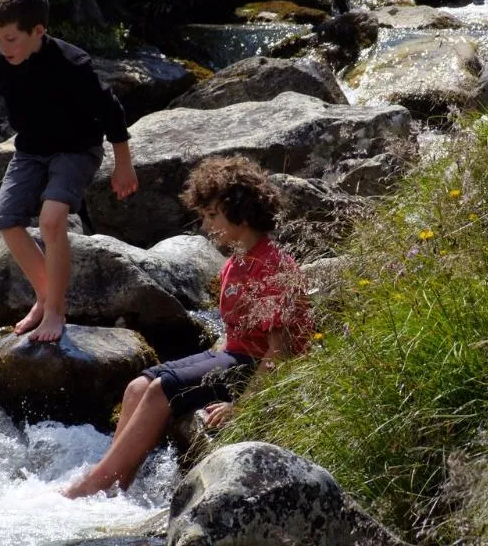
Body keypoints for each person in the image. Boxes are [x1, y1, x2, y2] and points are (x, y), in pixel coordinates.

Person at [63, 155, 311, 499]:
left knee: (162, 389)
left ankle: (95, 484)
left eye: (213, 216)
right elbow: (233, 336)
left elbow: (281, 352)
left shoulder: (272, 266)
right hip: (236, 358)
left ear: (242, 212)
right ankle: (114, 486)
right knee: (138, 385)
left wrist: (244, 406)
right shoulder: (235, 263)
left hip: (258, 370)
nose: (206, 226)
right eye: (204, 216)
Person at [0, 0, 138, 342]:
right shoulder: (3, 63)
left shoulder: (73, 64)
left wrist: (124, 163)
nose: (2, 48)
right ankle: (45, 297)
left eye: (10, 39)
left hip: (76, 150)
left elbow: (111, 109)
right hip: (30, 150)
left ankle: (56, 311)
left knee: (52, 219)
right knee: (5, 221)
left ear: (38, 31)